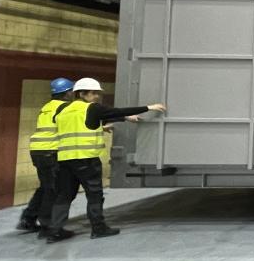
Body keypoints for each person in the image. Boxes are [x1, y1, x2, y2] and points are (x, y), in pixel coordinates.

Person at [43, 78, 164, 243]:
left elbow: (80, 125)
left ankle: (54, 231)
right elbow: (116, 111)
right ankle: (98, 228)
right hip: (86, 159)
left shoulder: (62, 110)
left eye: (97, 94)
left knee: (64, 195)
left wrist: (109, 123)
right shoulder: (92, 108)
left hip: (64, 160)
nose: (97, 97)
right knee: (94, 194)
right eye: (93, 93)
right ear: (81, 93)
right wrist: (149, 107)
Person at [17, 78, 75, 233]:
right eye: (72, 91)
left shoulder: (47, 107)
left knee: (46, 186)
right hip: (51, 151)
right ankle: (47, 224)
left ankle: (28, 218)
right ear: (67, 93)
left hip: (38, 150)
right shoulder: (65, 108)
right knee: (53, 189)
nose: (73, 94)